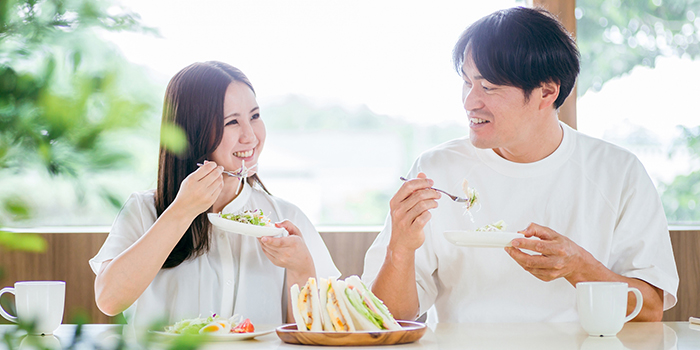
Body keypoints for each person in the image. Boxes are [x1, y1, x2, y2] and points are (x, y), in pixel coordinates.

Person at [362, 7, 678, 323]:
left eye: (488, 86)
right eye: (466, 82)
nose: (470, 101)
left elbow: (649, 308)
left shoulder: (618, 172)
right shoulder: (436, 169)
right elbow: (389, 316)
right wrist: (400, 249)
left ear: (547, 91)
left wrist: (577, 265)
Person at [90, 61, 339, 328]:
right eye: (232, 122)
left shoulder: (285, 218)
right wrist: (181, 211)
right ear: (192, 132)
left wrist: (301, 269)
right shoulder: (144, 210)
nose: (251, 136)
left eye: (254, 116)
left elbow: (316, 334)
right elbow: (109, 300)